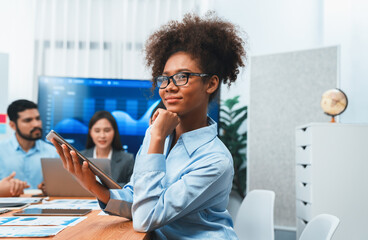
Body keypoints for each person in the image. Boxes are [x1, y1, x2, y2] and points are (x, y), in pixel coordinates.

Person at [51, 12, 246, 239]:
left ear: (211, 83)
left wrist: (155, 137)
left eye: (182, 76)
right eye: (164, 78)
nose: (169, 87)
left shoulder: (214, 160)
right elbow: (138, 199)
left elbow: (145, 218)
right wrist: (94, 187)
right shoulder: (159, 135)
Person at [0, 99, 58, 190]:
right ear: (12, 125)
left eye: (38, 118)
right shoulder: (1, 150)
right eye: (28, 120)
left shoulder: (53, 153)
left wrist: (52, 188)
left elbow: (61, 188)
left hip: (42, 203)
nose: (36, 124)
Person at [80, 111, 134, 186]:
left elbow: (131, 188)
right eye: (97, 131)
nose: (102, 135)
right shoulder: (80, 157)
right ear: (90, 132)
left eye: (107, 130)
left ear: (114, 132)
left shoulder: (127, 160)